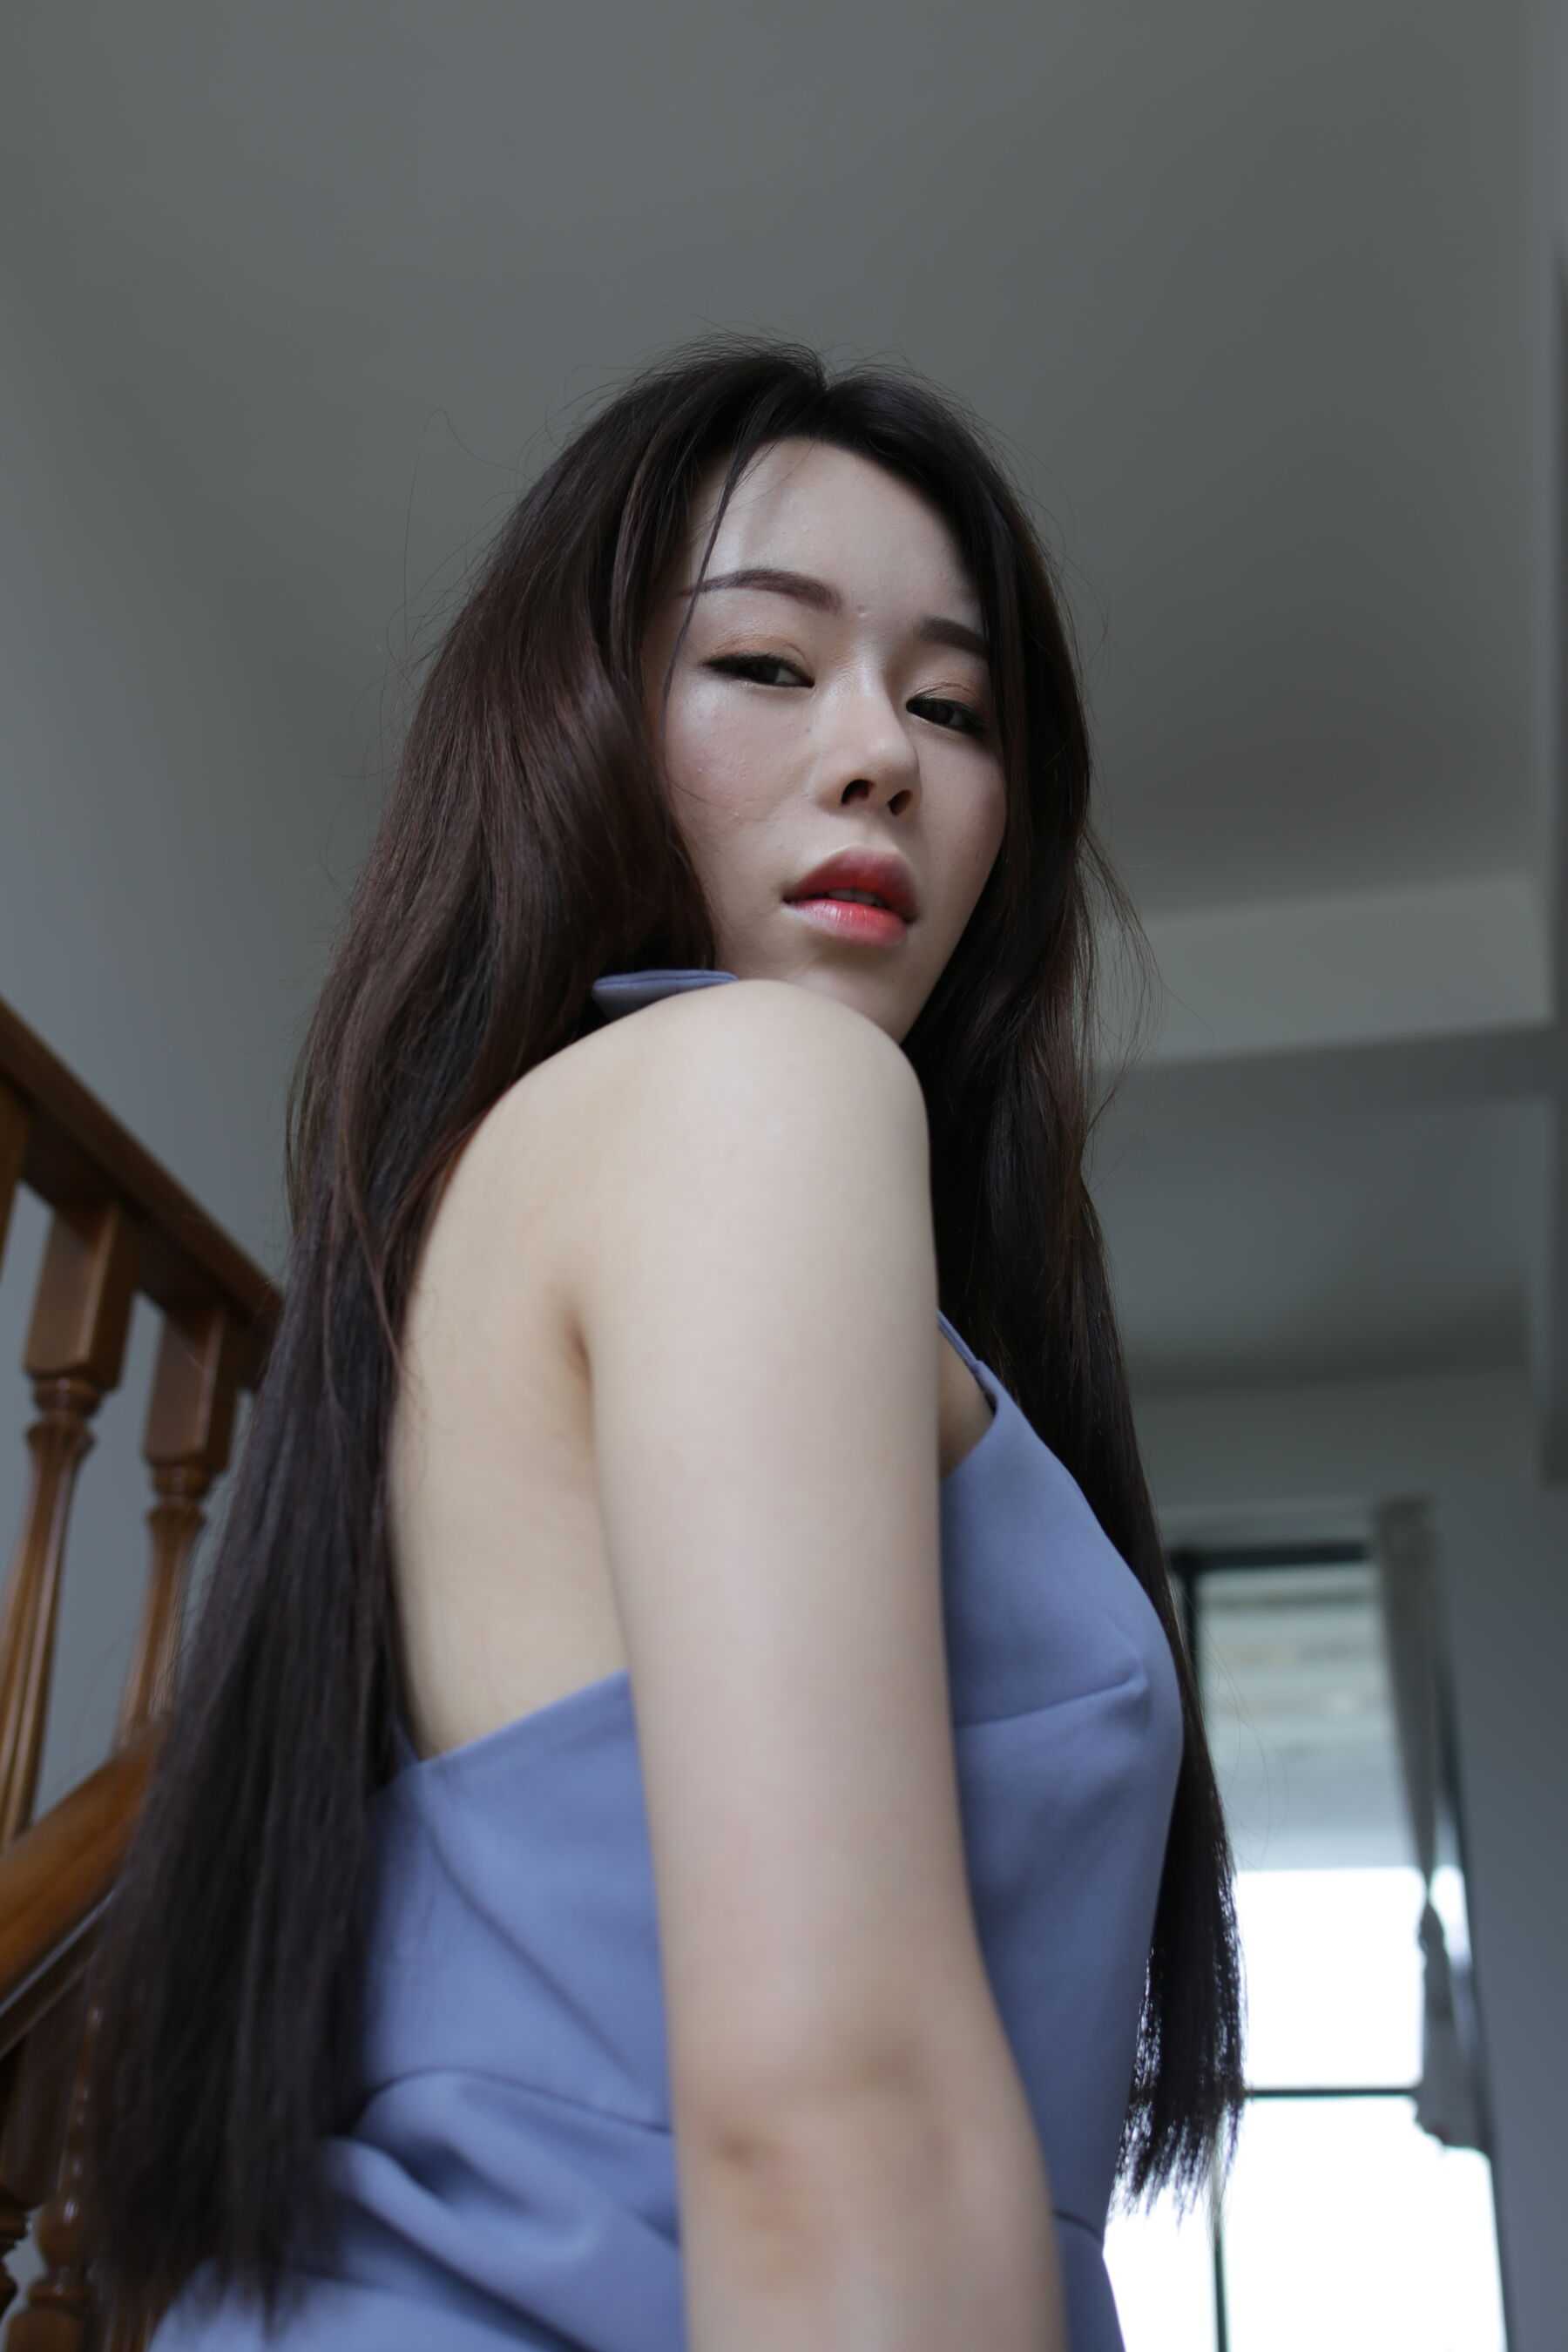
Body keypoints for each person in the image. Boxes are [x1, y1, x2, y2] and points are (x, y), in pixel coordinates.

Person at [82, 332, 1246, 2349]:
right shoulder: (757, 1091)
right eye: (767, 663)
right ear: (575, 727)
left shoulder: (526, 1186)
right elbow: (834, 2124)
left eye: (952, 704)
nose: (880, 752)